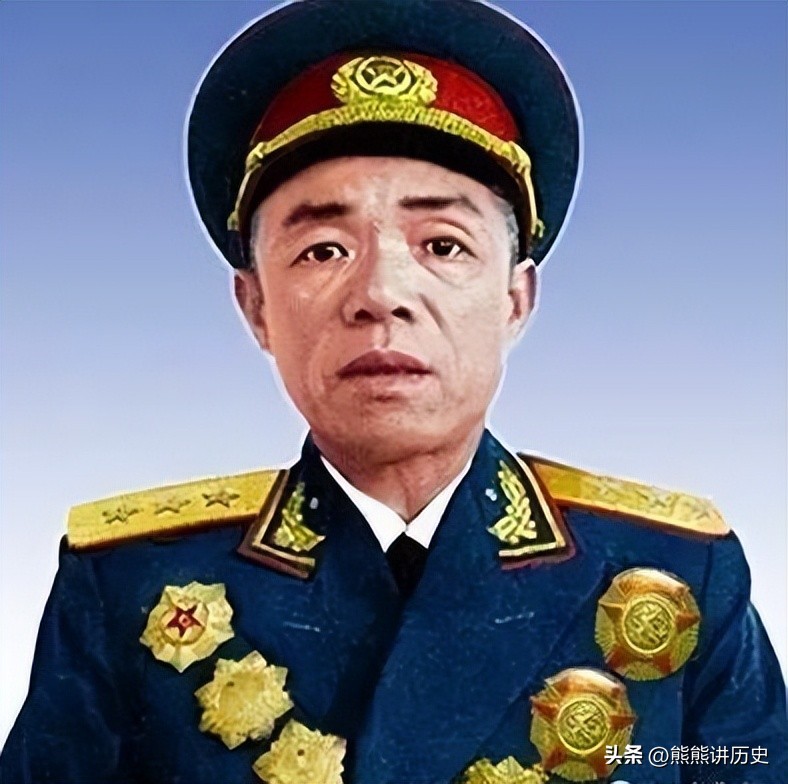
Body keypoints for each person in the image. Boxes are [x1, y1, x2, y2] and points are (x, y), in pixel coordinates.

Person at [1, 1, 785, 783]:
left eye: (442, 244)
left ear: (515, 300)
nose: (380, 293)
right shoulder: (132, 585)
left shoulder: (671, 575)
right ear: (256, 307)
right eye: (322, 250)